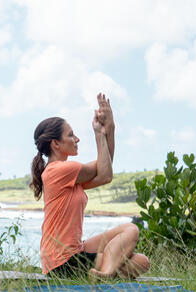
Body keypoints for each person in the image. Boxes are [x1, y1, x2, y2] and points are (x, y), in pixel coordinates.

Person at [30, 94, 150, 280]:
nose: (76, 139)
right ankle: (107, 273)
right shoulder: (60, 170)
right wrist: (99, 134)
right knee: (132, 230)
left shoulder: (69, 175)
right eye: (70, 135)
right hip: (62, 260)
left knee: (141, 261)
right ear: (56, 144)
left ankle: (100, 272)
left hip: (74, 250)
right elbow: (106, 173)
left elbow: (104, 171)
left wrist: (109, 129)